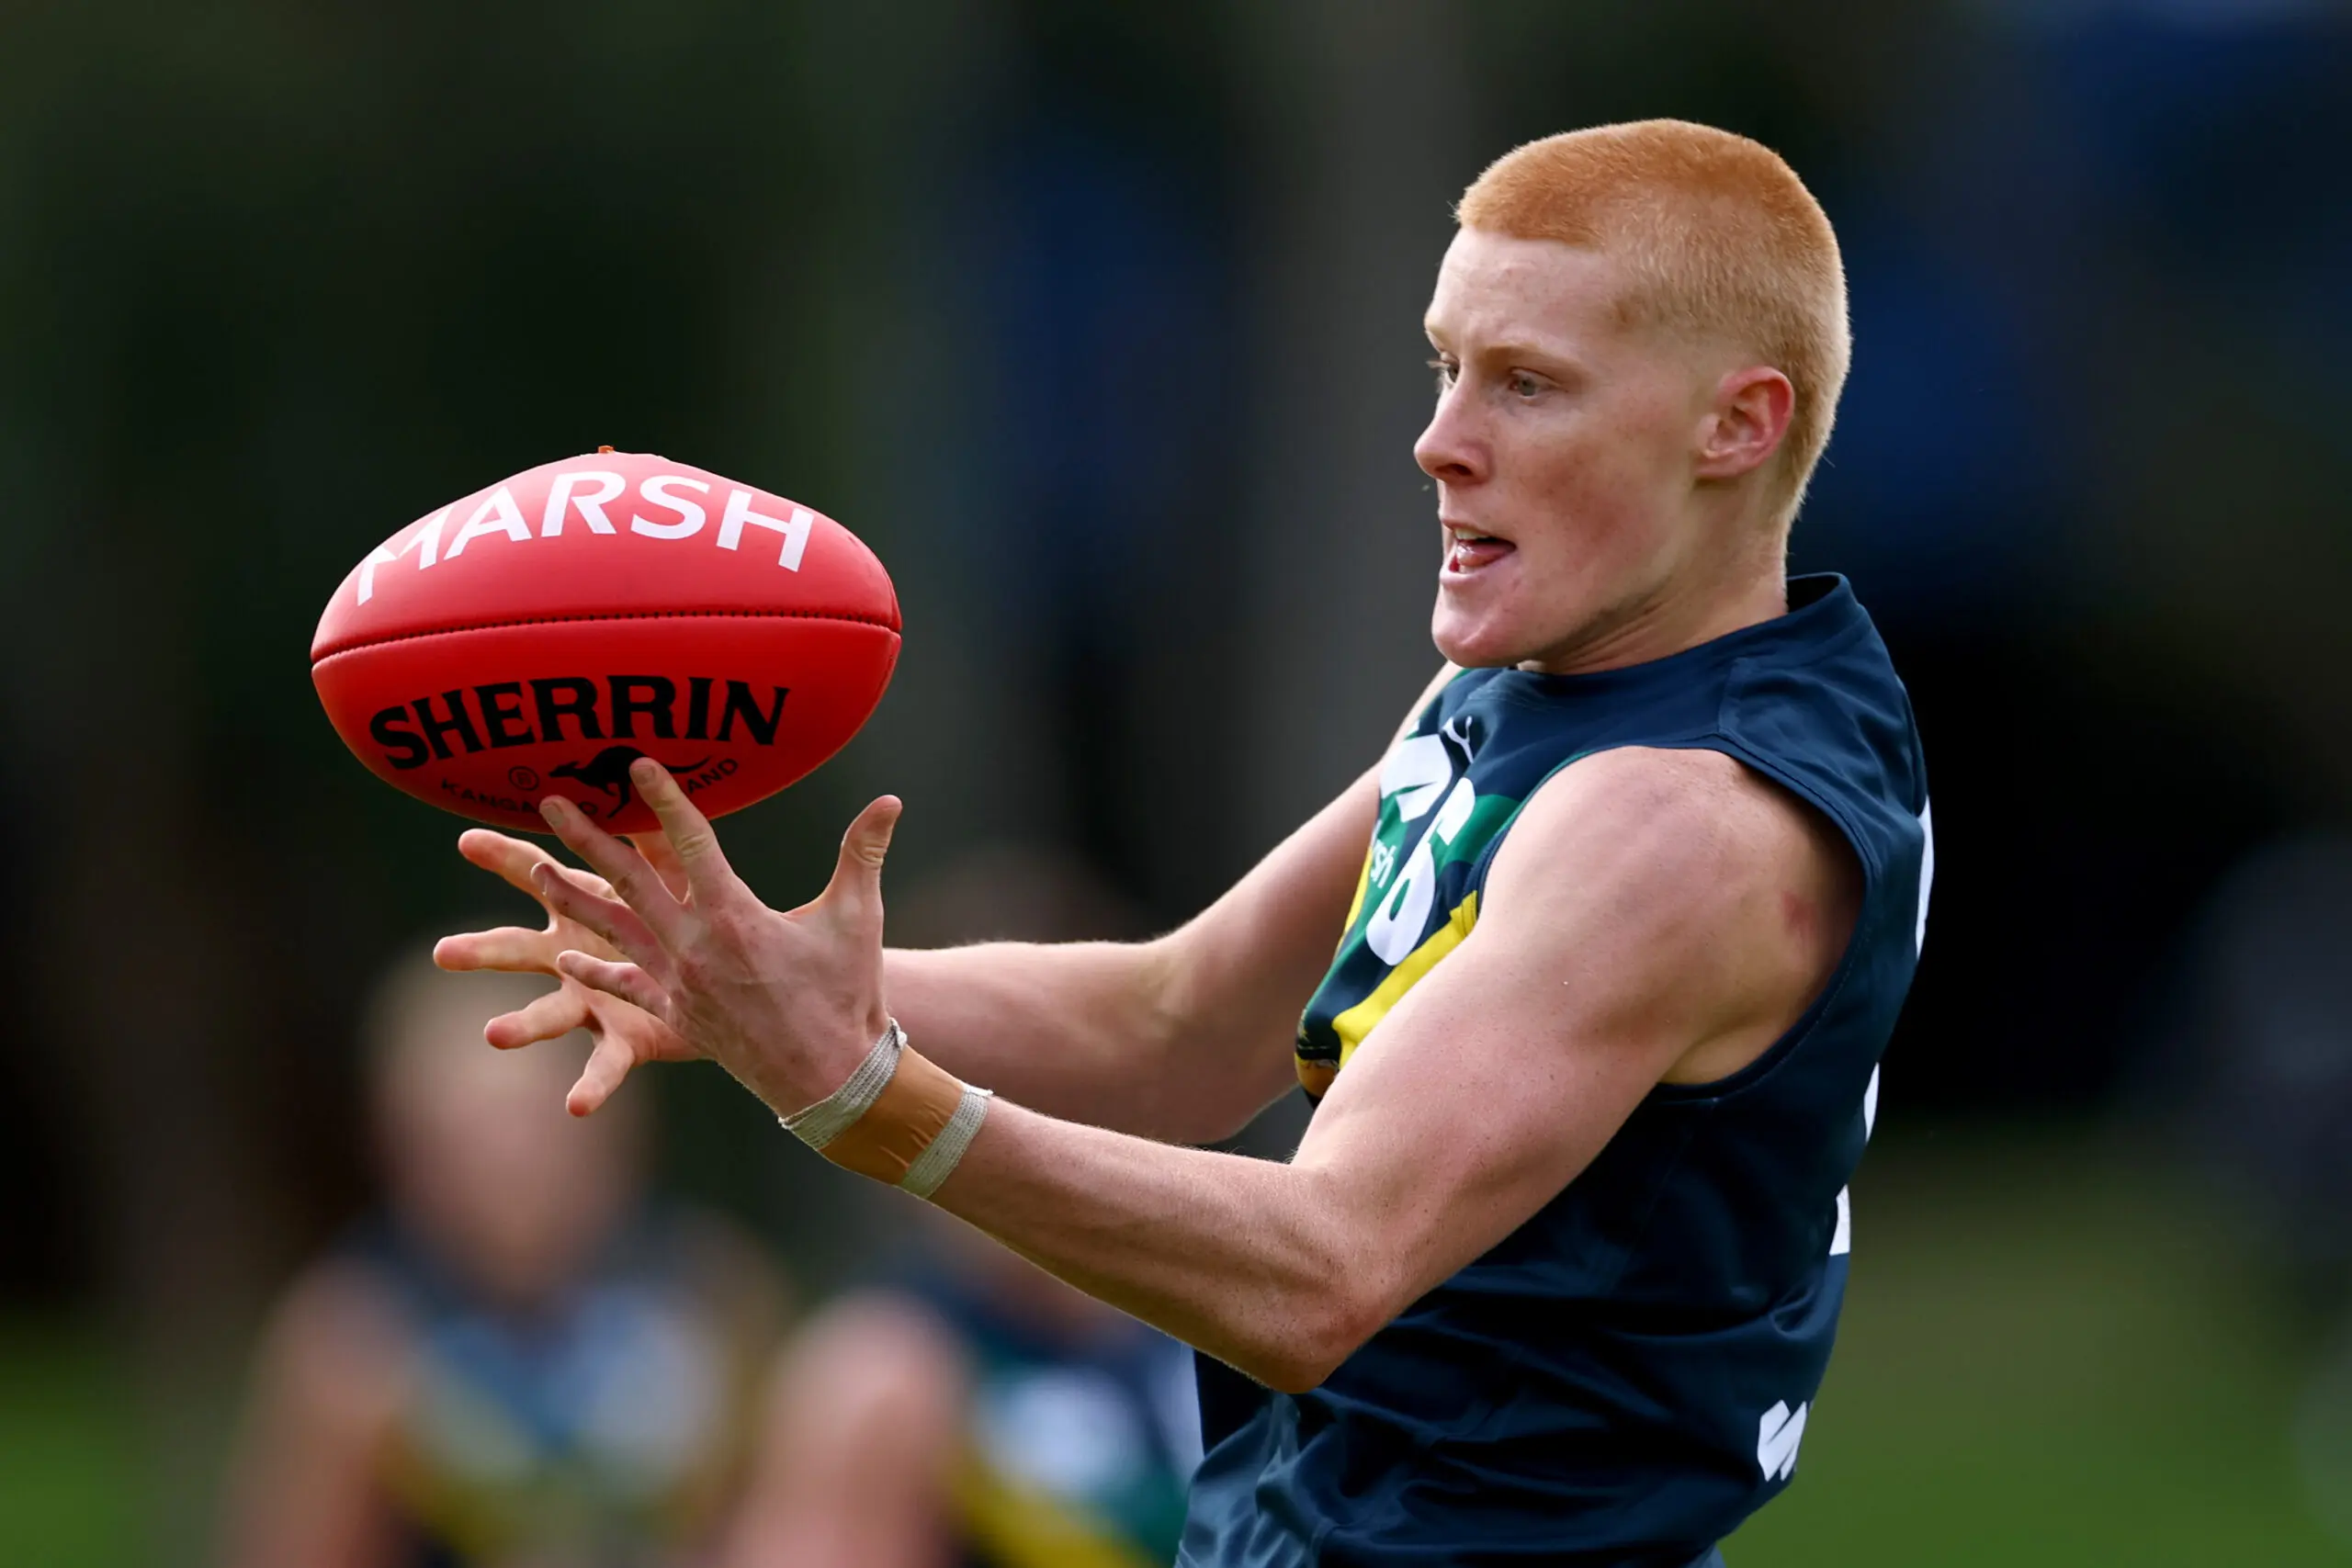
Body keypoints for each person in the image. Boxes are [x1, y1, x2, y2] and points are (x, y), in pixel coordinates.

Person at [437, 118, 1933, 1567]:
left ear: (1738, 425)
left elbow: (1321, 1269)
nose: (1439, 443)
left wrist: (861, 1095)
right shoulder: (1553, 684)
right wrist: (747, 977)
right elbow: (1180, 1022)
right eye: (1447, 366)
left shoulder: (1679, 824)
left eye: (1528, 385)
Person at [219, 949, 788, 1568]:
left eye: (536, 1125)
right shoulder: (350, 1342)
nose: (512, 1167)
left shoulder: (712, 1294)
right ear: (402, 1155)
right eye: (473, 1138)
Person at [718, 846, 1204, 1568]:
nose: (1009, 1127)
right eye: (972, 1089)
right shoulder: (883, 1374)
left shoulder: (1201, 1330)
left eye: (1047, 1086)